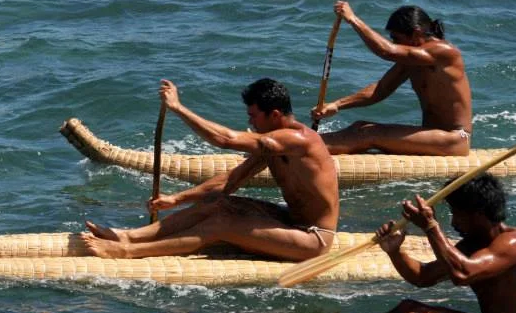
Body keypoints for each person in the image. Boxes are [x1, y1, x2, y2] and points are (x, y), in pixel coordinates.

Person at [280, 173, 516, 313]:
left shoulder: (515, 243)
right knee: (409, 308)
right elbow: (423, 277)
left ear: (477, 214)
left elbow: (463, 272)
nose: (453, 222)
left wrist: (431, 226)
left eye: (456, 214)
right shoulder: (473, 244)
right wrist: (395, 251)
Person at [81, 78, 340, 261]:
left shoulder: (299, 140)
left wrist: (178, 108)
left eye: (254, 116)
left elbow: (225, 140)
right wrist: (176, 199)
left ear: (274, 115)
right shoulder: (275, 146)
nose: (249, 121)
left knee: (222, 223)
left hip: (314, 239)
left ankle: (128, 252)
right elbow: (230, 181)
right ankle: (128, 237)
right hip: (289, 221)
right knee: (218, 204)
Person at [311, 1, 473, 157]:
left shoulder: (444, 52)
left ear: (416, 34)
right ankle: (309, 143)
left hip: (455, 139)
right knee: (360, 126)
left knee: (368, 132)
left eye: (396, 38)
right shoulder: (414, 60)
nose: (394, 43)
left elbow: (387, 51)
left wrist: (353, 19)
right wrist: (337, 105)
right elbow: (380, 89)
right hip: (433, 135)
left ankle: (305, 147)